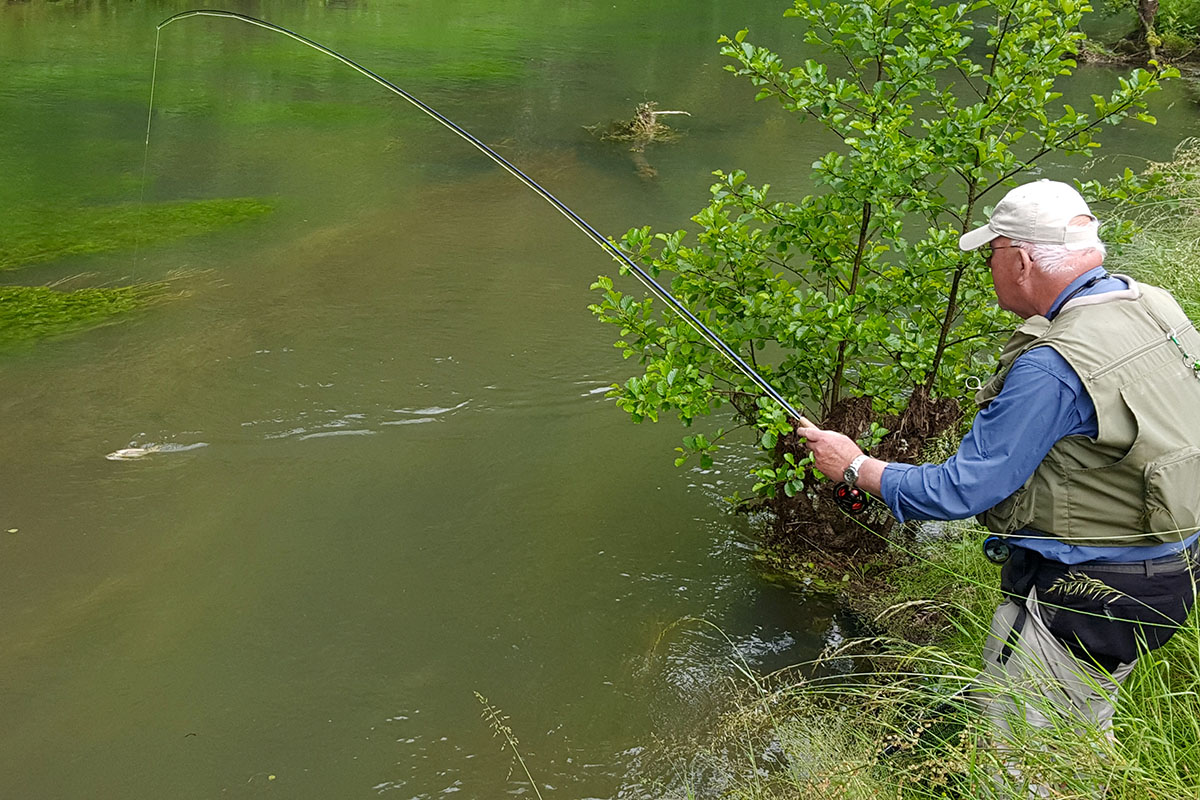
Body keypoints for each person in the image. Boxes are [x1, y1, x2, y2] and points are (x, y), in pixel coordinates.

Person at [797, 179, 1200, 746]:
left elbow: (961, 490)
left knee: (1024, 755)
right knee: (1080, 729)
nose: (989, 267)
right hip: (1169, 572)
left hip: (1083, 594)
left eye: (992, 253)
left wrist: (854, 465)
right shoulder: (1151, 304)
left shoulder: (1054, 366)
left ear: (1023, 259)